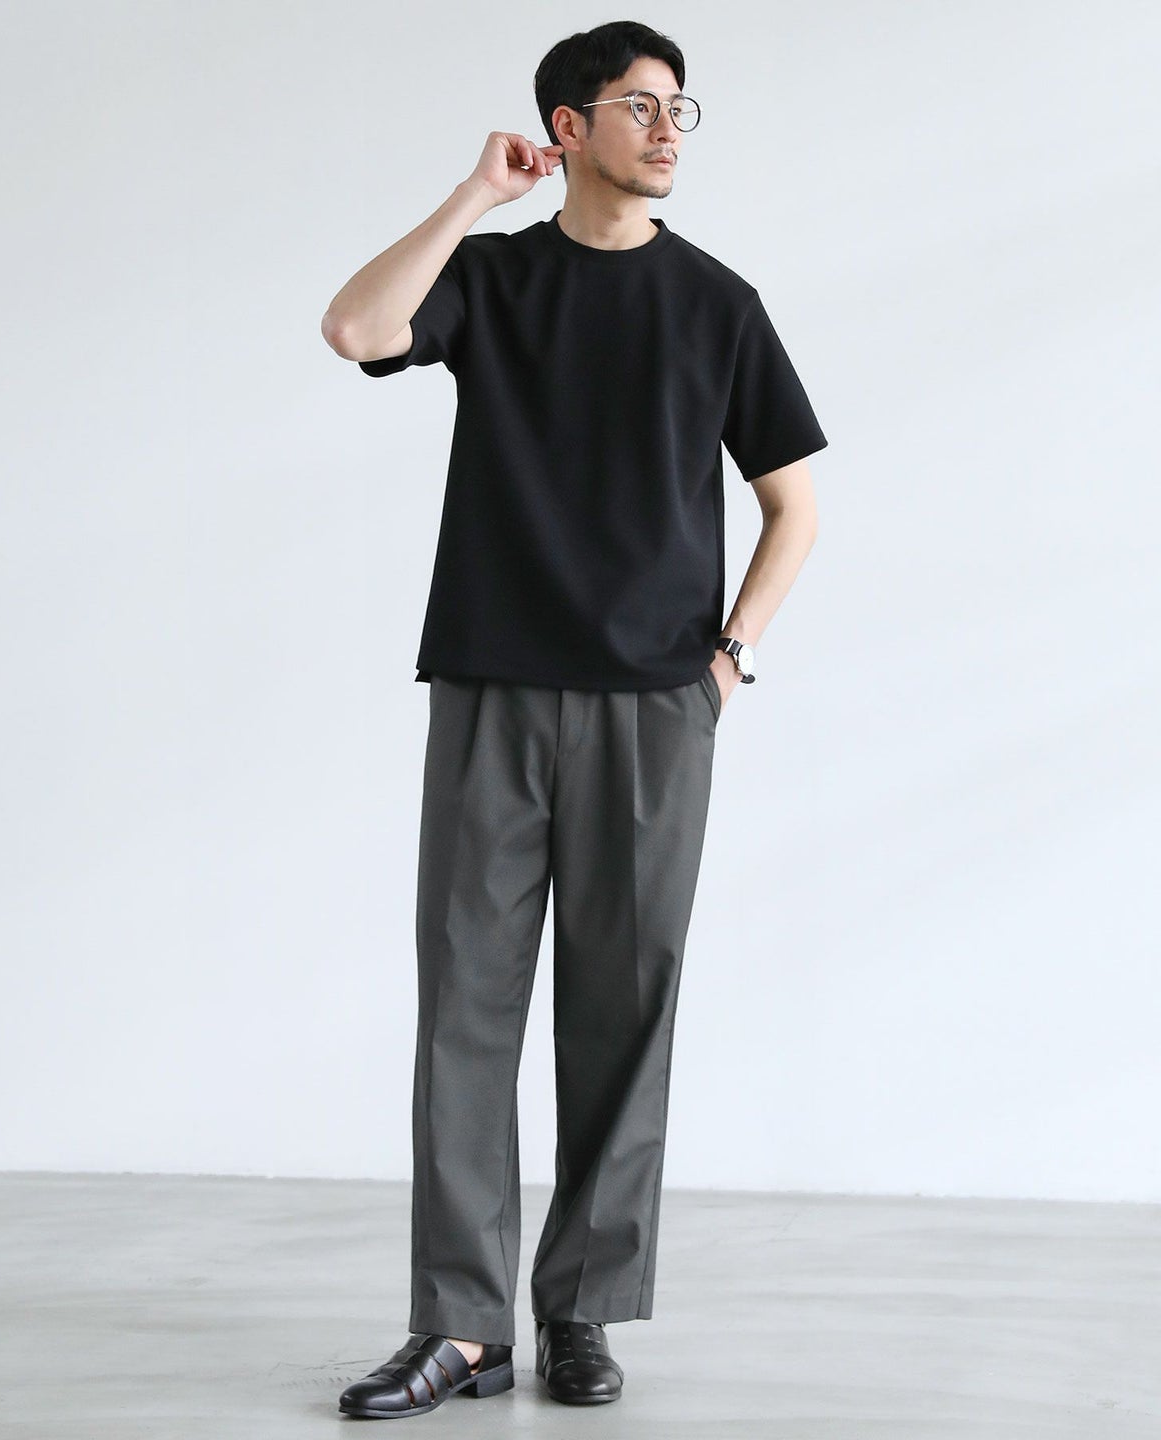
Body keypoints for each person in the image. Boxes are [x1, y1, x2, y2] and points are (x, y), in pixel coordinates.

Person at [321, 20, 827, 1420]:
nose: (668, 130)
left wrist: (726, 663)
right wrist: (474, 195)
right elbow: (357, 330)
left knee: (624, 1010)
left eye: (680, 109)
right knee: (465, 1007)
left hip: (655, 709)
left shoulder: (718, 304)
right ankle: (461, 1327)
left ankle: (581, 1309)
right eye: (640, 105)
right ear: (569, 124)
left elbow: (794, 504)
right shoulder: (493, 279)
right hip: (493, 688)